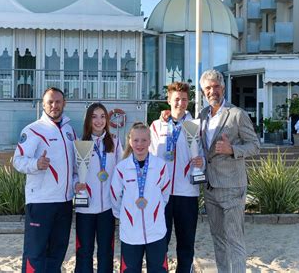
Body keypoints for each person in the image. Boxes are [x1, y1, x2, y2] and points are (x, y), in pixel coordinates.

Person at [198, 70, 260, 273]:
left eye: (216, 86)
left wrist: (233, 149)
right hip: (210, 187)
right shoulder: (202, 115)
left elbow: (254, 146)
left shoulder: (237, 114)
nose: (212, 91)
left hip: (233, 187)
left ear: (223, 88)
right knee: (218, 239)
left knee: (235, 239)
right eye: (208, 88)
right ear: (203, 91)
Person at [13, 87, 77, 272]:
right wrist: (35, 164)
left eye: (58, 101)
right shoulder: (33, 130)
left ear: (64, 103)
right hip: (41, 203)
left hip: (64, 202)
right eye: (50, 102)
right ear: (43, 104)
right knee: (35, 254)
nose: (54, 105)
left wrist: (76, 184)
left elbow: (73, 167)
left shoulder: (70, 131)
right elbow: (17, 160)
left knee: (57, 254)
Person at [149, 82, 204, 273]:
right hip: (161, 195)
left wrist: (201, 162)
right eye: (176, 99)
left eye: (184, 99)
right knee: (159, 242)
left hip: (187, 193)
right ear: (169, 100)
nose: (180, 103)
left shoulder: (196, 126)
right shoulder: (156, 125)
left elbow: (203, 154)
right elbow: (149, 156)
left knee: (186, 243)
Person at [111, 122, 171, 273]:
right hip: (130, 233)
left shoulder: (160, 166)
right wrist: (125, 216)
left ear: (150, 141)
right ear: (130, 141)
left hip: (156, 231)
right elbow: (114, 196)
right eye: (136, 140)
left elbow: (165, 193)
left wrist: (154, 211)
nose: (140, 144)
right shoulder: (121, 168)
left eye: (144, 140)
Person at [74, 103, 123, 273]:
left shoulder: (115, 143)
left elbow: (121, 171)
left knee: (106, 252)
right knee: (84, 252)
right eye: (94, 116)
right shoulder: (80, 143)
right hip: (85, 208)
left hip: (107, 208)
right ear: (88, 119)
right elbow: (74, 172)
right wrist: (76, 184)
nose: (99, 120)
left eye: (102, 116)